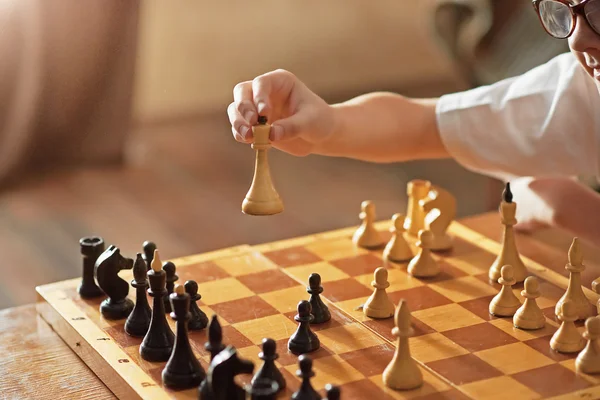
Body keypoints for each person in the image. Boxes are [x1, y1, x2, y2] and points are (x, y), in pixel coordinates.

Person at [227, 0, 600, 245]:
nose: (579, 40)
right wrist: (327, 125)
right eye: (565, 11)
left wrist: (568, 208)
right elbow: (427, 125)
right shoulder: (583, 91)